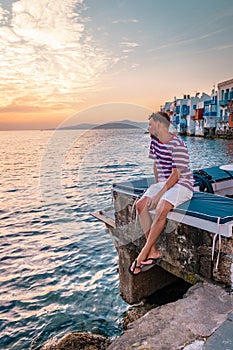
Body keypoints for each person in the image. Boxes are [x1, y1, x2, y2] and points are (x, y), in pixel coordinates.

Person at [129, 112, 194, 275]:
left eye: (150, 124)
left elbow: (176, 175)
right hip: (164, 184)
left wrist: (158, 196)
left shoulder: (178, 144)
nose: (148, 127)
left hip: (182, 184)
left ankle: (144, 252)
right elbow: (156, 165)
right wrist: (155, 187)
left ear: (159, 124)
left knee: (161, 208)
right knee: (141, 205)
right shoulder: (155, 142)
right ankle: (153, 251)